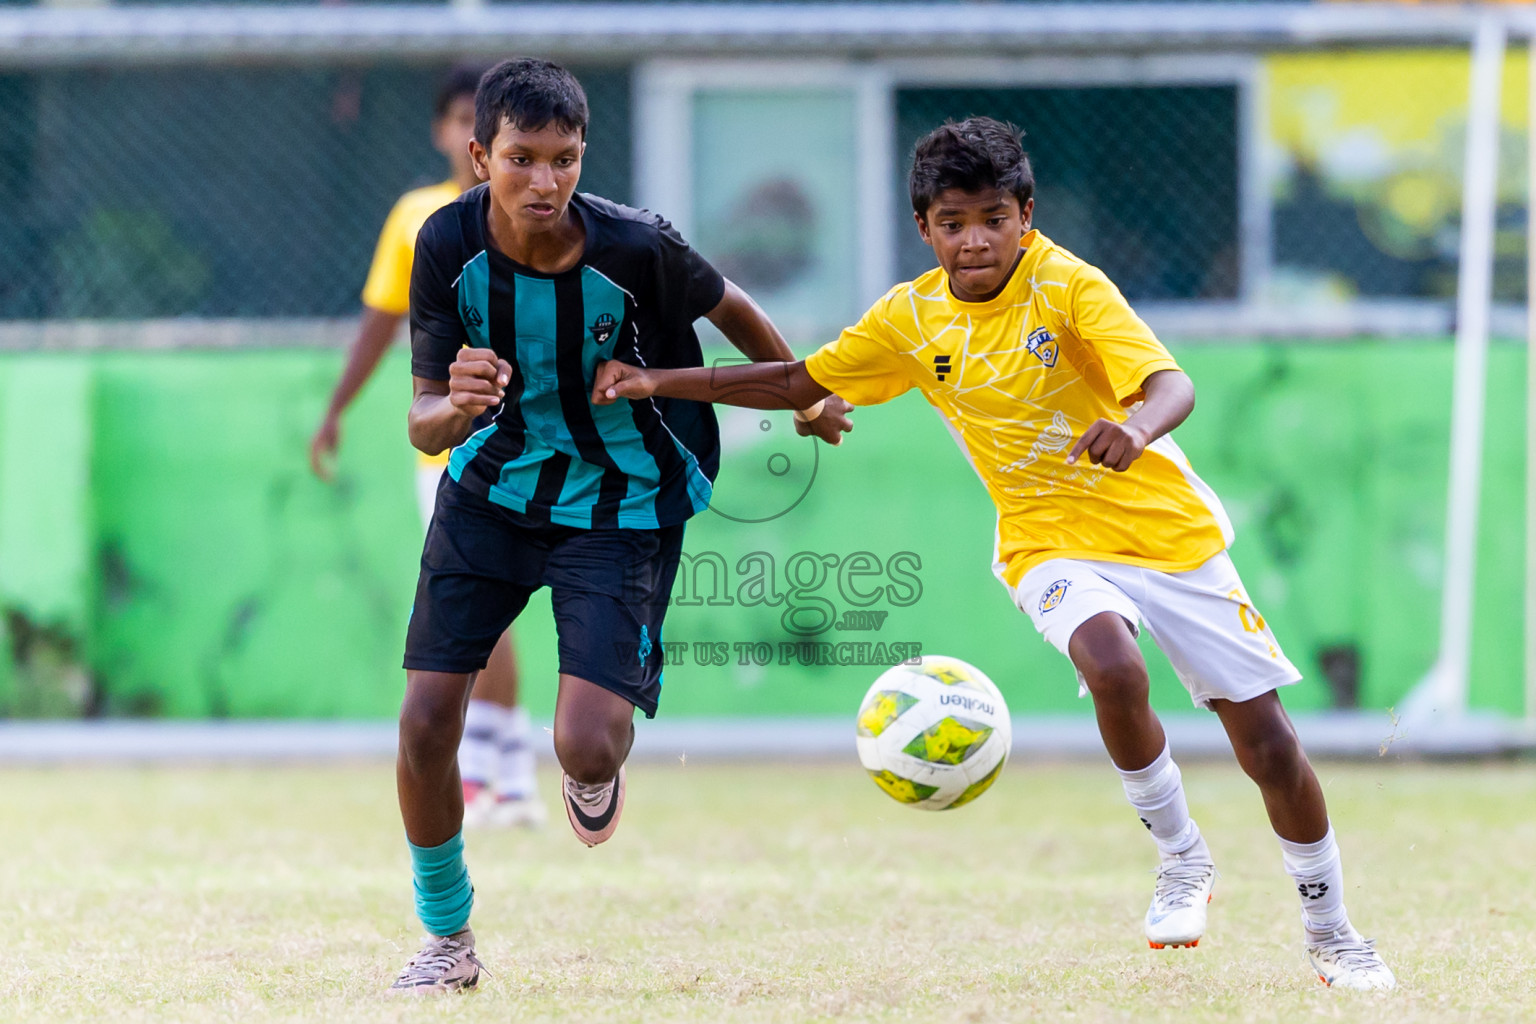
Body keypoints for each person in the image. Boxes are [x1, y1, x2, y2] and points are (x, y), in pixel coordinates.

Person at [592, 117, 1396, 993]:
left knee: (1268, 744)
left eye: (991, 218)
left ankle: (1333, 929)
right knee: (1112, 667)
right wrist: (655, 380)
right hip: (1045, 544)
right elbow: (801, 382)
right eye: (952, 221)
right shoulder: (910, 318)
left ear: (1025, 214)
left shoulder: (1069, 287)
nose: (973, 239)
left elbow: (1173, 383)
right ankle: (1181, 857)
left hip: (1170, 539)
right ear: (924, 228)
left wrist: (1134, 425)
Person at [387, 58, 850, 995]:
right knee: (429, 718)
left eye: (564, 159)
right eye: (521, 158)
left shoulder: (639, 248)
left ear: (583, 154)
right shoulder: (442, 246)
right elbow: (423, 419)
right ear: (480, 157)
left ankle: (593, 768)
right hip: (495, 489)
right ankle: (447, 939)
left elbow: (738, 312)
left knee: (586, 744)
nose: (544, 181)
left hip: (627, 496)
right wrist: (459, 407)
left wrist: (804, 394)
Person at [308, 64, 544, 830]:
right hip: (444, 449)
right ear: (448, 133)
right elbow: (382, 321)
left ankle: (495, 772)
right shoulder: (418, 217)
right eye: (455, 119)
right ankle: (503, 774)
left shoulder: (537, 211)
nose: (465, 133)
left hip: (527, 437)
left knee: (489, 608)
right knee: (480, 609)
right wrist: (336, 408)